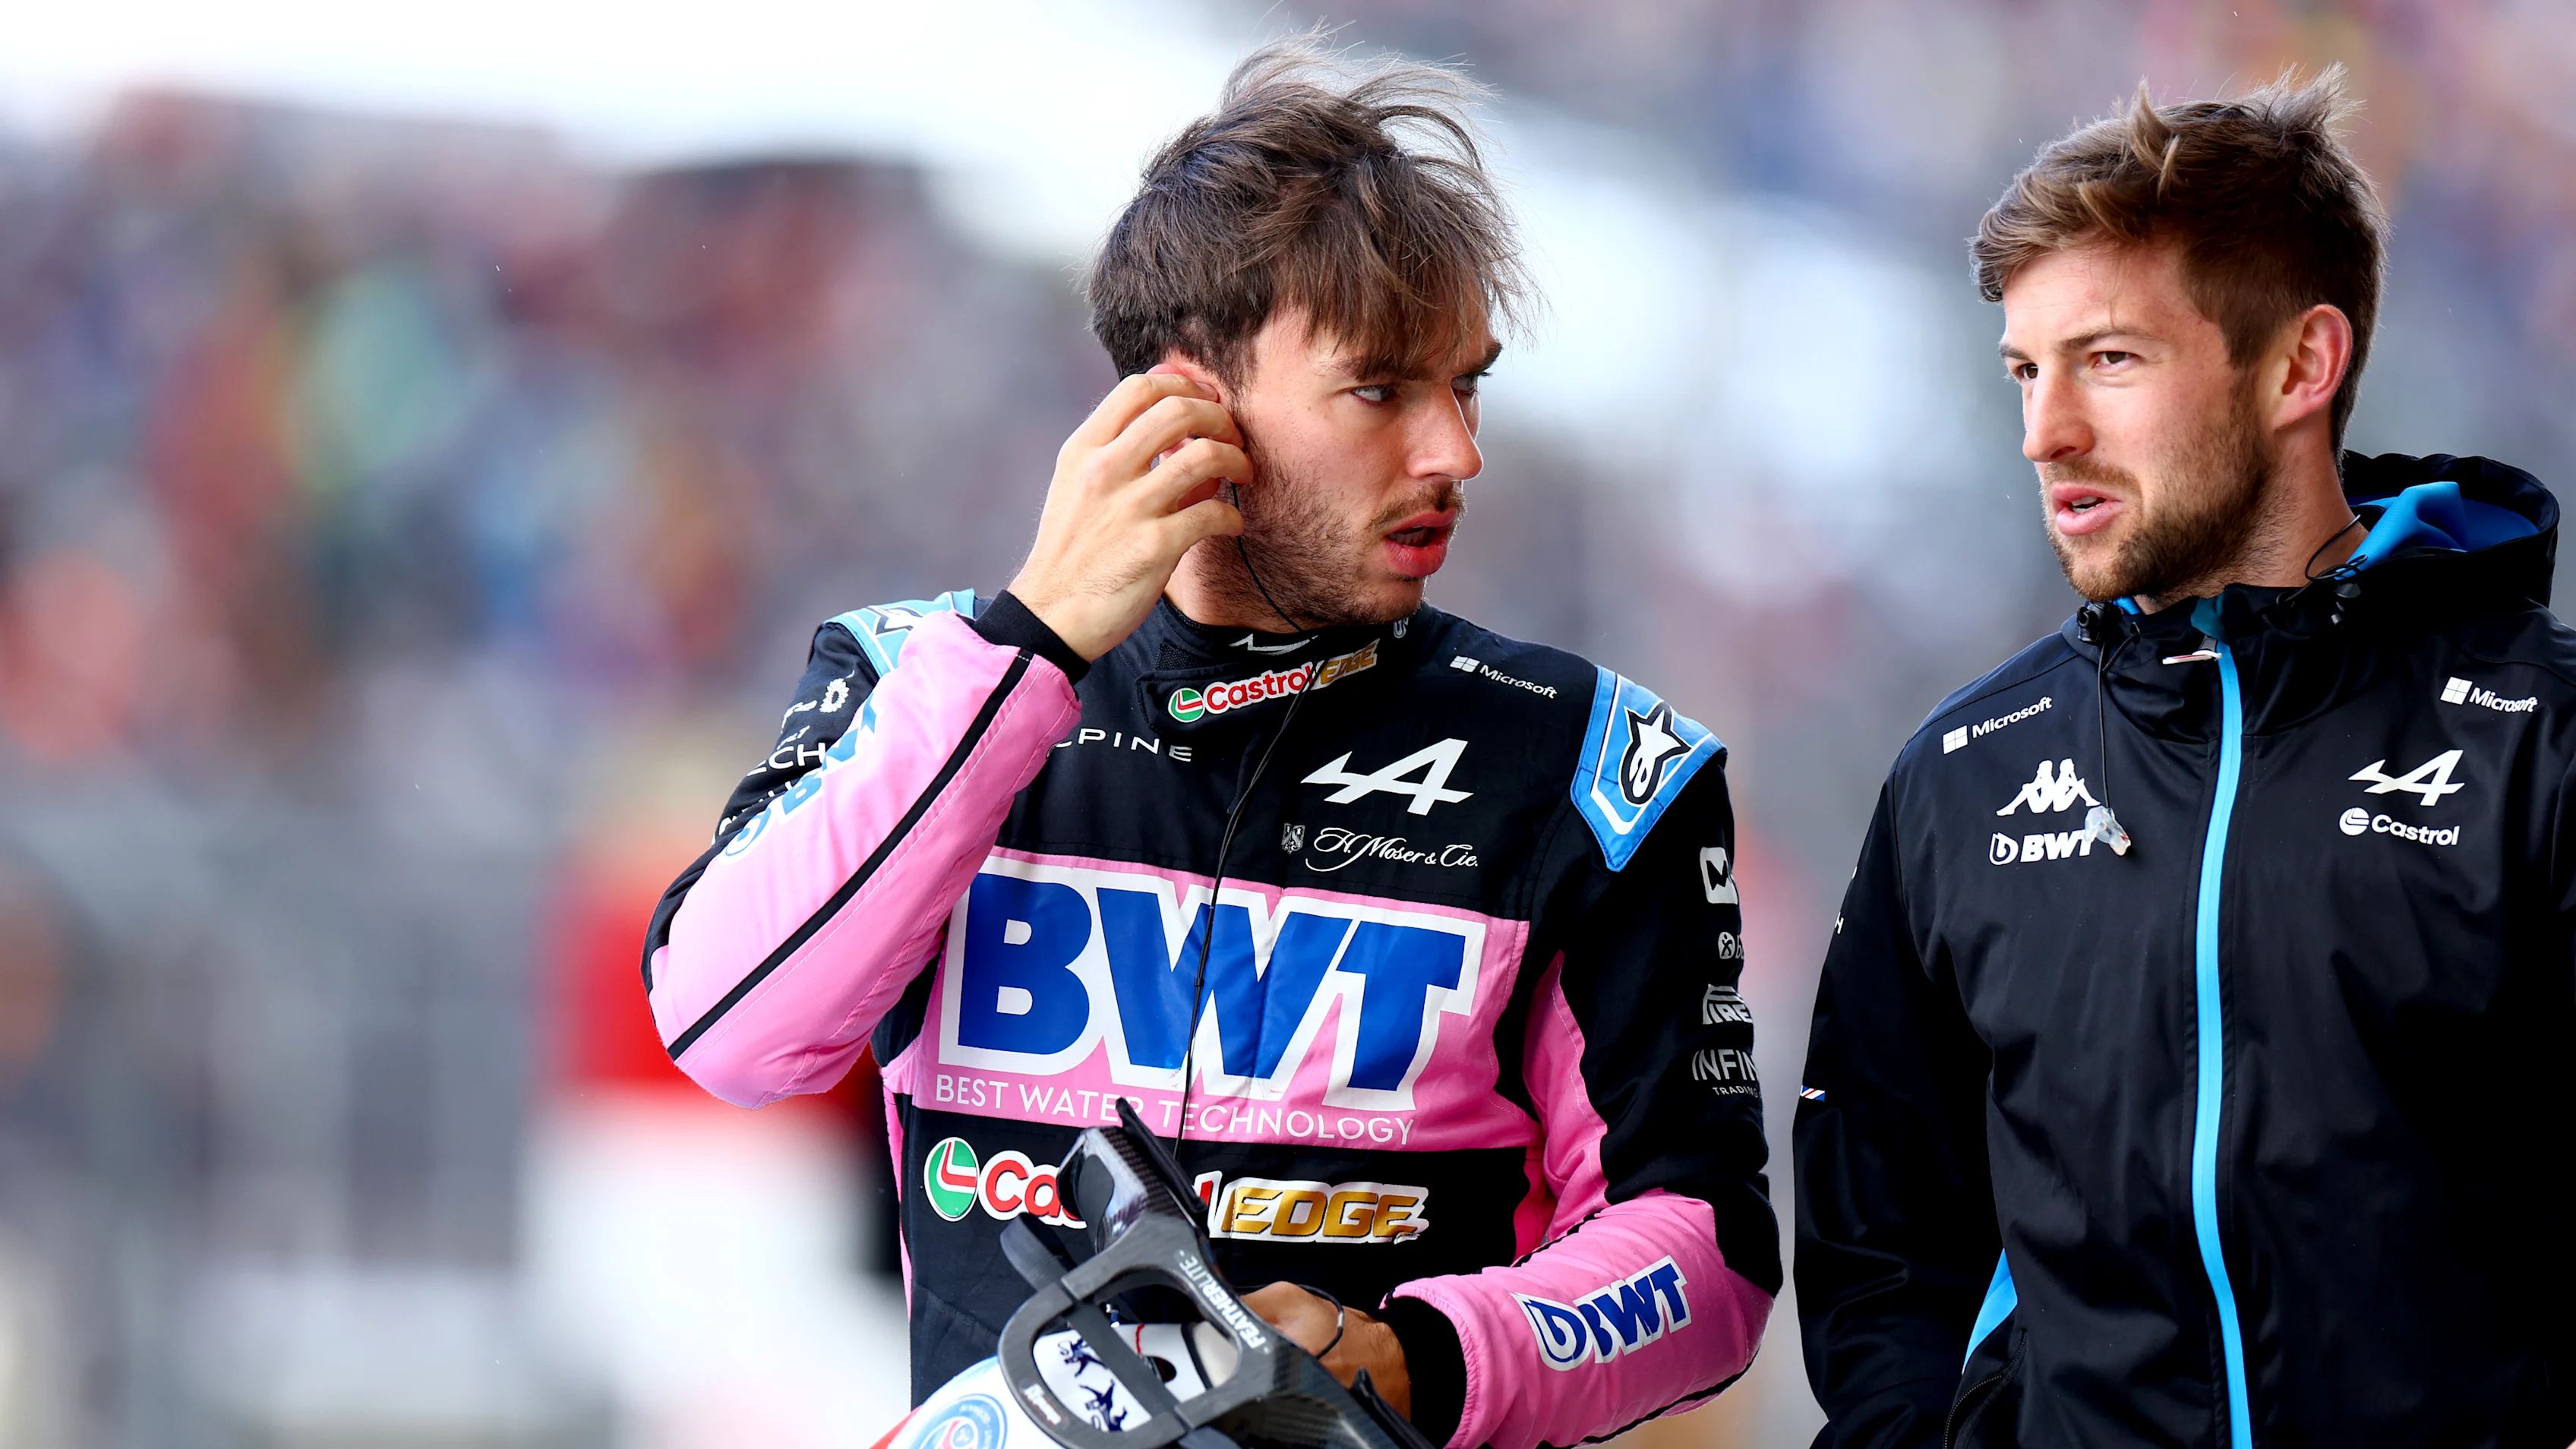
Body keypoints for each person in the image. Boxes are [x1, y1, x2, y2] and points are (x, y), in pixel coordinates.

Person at [640, 39, 1778, 1449]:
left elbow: (1710, 1254)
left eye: (1466, 386)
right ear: (1187, 407)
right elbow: (727, 1026)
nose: (1455, 453)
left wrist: (1420, 1355)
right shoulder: (912, 677)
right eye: (1382, 391)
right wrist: (1030, 650)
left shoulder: (1599, 765)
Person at [1794, 68, 2576, 1447]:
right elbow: (1882, 1252)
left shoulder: (2547, 743)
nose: (2046, 433)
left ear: (2299, 365)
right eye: (2026, 372)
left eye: (2110, 359)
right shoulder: (1960, 778)